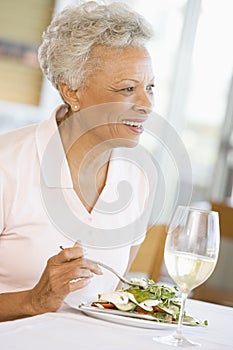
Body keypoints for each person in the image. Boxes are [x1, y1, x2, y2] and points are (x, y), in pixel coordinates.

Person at [0, 0, 156, 321]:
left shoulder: (139, 177)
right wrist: (33, 301)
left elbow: (112, 300)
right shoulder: (7, 165)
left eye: (150, 87)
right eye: (128, 88)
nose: (146, 104)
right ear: (72, 92)